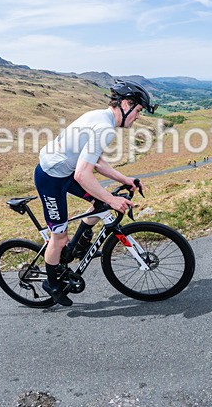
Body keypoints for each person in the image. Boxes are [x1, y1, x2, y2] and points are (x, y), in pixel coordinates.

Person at [34, 79, 157, 306]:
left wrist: (125, 180)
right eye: (138, 110)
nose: (138, 116)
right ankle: (51, 284)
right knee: (59, 238)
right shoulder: (104, 128)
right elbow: (83, 175)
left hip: (65, 171)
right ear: (126, 104)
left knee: (100, 204)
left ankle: (78, 246)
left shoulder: (99, 117)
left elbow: (97, 163)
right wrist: (112, 198)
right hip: (51, 179)